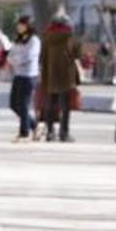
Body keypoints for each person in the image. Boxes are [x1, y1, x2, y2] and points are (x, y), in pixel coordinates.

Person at [39, 12, 81, 143]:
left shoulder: (46, 37)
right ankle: (64, 133)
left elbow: (42, 56)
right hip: (66, 75)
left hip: (50, 74)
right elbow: (76, 54)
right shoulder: (70, 37)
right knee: (65, 105)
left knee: (51, 103)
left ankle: (50, 133)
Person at [7, 16, 40, 143]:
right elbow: (11, 55)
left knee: (24, 105)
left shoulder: (34, 40)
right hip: (18, 75)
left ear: (28, 26)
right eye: (18, 25)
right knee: (14, 104)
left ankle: (24, 133)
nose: (19, 27)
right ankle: (34, 125)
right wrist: (12, 60)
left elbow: (29, 56)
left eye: (22, 25)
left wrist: (15, 60)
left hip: (29, 76)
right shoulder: (18, 40)